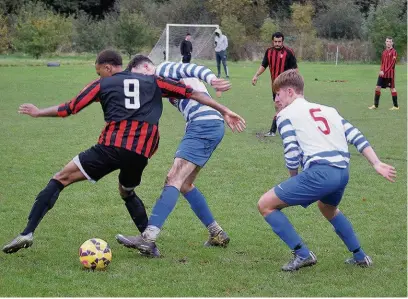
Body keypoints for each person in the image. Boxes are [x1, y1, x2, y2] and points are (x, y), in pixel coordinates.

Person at [2, 50, 242, 254]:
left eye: (99, 71)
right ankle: (151, 244)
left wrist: (38, 111)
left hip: (111, 147)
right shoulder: (154, 82)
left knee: (60, 178)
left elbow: (69, 108)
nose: (99, 75)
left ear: (107, 68)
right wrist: (224, 109)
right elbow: (193, 93)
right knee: (127, 190)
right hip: (141, 153)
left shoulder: (104, 83)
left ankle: (27, 233)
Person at [257, 69, 396, 271]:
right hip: (342, 172)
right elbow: (355, 135)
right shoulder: (328, 110)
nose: (276, 99)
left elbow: (291, 151)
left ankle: (303, 255)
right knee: (327, 208)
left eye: (277, 94)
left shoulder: (285, 115)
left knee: (265, 205)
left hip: (320, 173)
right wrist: (376, 163)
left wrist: (293, 180)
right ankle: (360, 256)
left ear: (289, 91)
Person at [115, 57, 246, 256]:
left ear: (147, 67)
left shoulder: (164, 68)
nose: (141, 81)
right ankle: (217, 233)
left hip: (203, 125)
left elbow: (194, 68)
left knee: (173, 178)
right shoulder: (158, 83)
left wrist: (212, 79)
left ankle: (148, 238)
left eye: (140, 75)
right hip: (205, 125)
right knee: (184, 184)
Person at [252, 32, 297, 137]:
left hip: (286, 86)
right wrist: (256, 75)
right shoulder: (269, 52)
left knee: (281, 107)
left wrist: (294, 83)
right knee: (280, 107)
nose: (277, 44)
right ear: (273, 41)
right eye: (275, 41)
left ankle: (273, 131)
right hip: (275, 86)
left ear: (283, 41)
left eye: (279, 42)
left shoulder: (289, 52)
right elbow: (264, 65)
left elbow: (295, 69)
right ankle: (284, 129)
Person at [368, 37, 399, 111]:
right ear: (385, 42)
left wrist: (385, 71)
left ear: (392, 43)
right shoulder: (384, 52)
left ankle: (396, 106)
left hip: (389, 74)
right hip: (382, 74)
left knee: (392, 88)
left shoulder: (394, 52)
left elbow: (392, 64)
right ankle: (375, 105)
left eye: (390, 41)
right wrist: (381, 70)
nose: (388, 43)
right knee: (377, 87)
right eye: (387, 41)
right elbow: (382, 63)